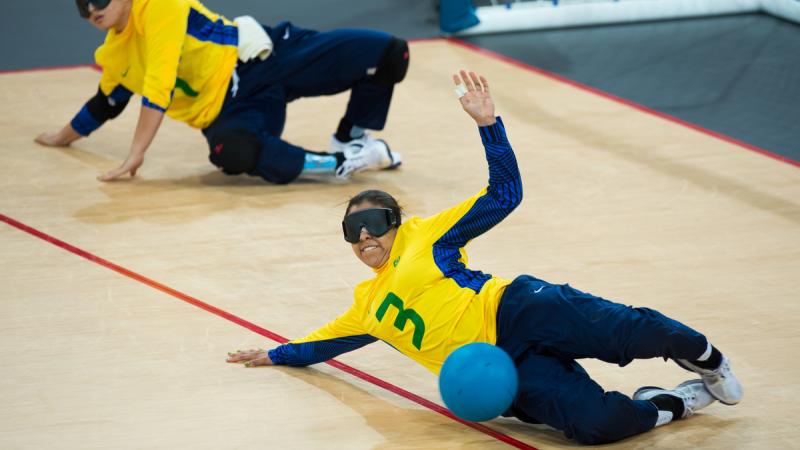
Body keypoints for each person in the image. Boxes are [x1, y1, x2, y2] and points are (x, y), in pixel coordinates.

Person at [226, 71, 743, 445]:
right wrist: (272, 354)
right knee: (595, 427)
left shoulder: (429, 236)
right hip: (503, 370)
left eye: (374, 223)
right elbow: (321, 345)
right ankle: (669, 402)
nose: (364, 237)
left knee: (629, 332)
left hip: (518, 307)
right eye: (351, 230)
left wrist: (489, 125)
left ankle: (707, 357)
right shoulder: (367, 308)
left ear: (397, 224)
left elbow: (504, 195)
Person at [36, 0, 407, 183]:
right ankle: (340, 164)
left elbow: (159, 84)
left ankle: (350, 138)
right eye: (82, 5)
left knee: (390, 52)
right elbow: (105, 104)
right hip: (230, 110)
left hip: (265, 57)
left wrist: (136, 153)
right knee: (234, 151)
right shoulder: (113, 55)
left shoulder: (160, 5)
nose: (92, 9)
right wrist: (60, 137)